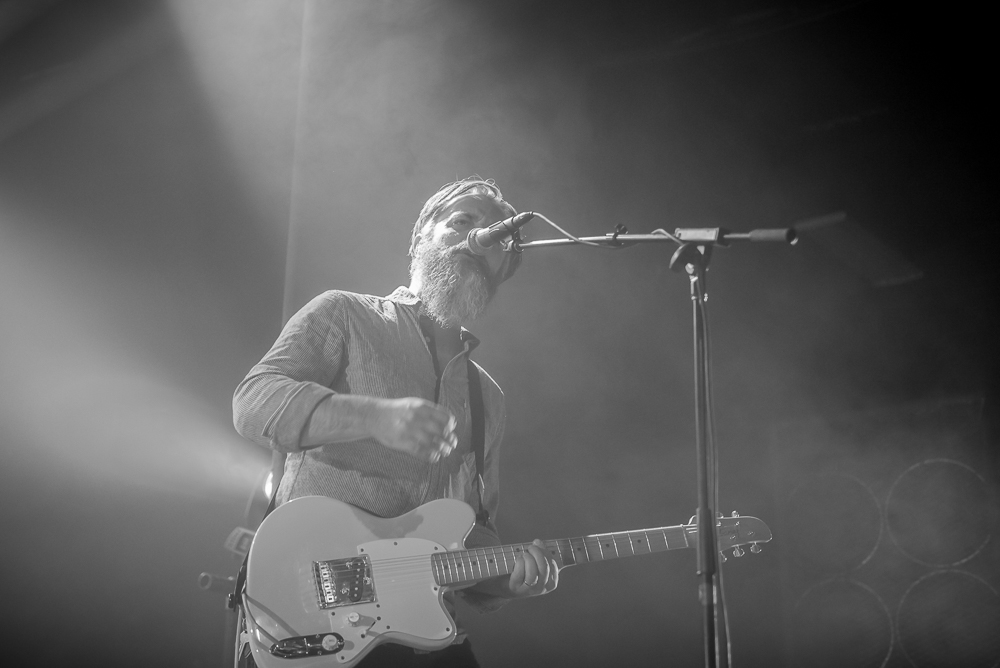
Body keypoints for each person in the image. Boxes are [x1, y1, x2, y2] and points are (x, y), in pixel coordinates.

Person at [232, 177, 558, 667]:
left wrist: (509, 579)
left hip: (424, 635)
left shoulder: (488, 398)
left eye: (496, 233)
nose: (481, 236)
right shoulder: (344, 313)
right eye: (463, 222)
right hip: (309, 619)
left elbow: (471, 536)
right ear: (420, 239)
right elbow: (253, 402)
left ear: (505, 266)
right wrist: (373, 415)